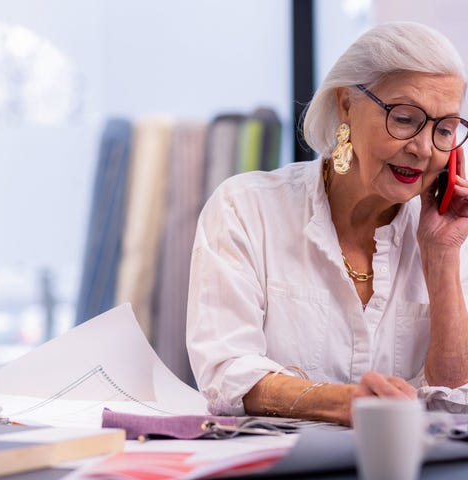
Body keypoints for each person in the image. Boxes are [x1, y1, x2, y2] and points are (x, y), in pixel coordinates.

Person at [186, 21, 468, 426]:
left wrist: (441, 258)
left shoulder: (451, 237)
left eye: (444, 129)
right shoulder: (245, 209)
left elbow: (456, 405)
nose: (423, 149)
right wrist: (345, 403)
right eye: (405, 119)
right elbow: (226, 373)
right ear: (346, 105)